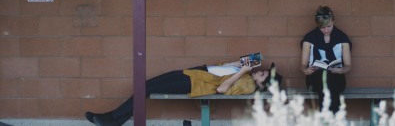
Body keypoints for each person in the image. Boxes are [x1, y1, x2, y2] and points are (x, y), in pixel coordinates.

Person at [85, 59, 282, 126]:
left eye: (263, 74)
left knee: (145, 88)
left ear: (264, 84)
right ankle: (114, 118)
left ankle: (113, 119)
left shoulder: (248, 84)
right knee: (144, 85)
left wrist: (242, 71)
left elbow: (222, 89)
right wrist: (240, 63)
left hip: (194, 83)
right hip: (193, 72)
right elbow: (221, 68)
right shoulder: (245, 74)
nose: (260, 71)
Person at [301, 5, 352, 113]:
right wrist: (306, 70)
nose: (326, 30)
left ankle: (325, 117)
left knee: (329, 80)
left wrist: (341, 70)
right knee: (325, 80)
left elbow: (348, 66)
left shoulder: (342, 38)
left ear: (333, 21)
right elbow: (303, 65)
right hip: (315, 78)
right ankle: (334, 117)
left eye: (328, 26)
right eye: (322, 27)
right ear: (317, 25)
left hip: (336, 77)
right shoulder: (309, 38)